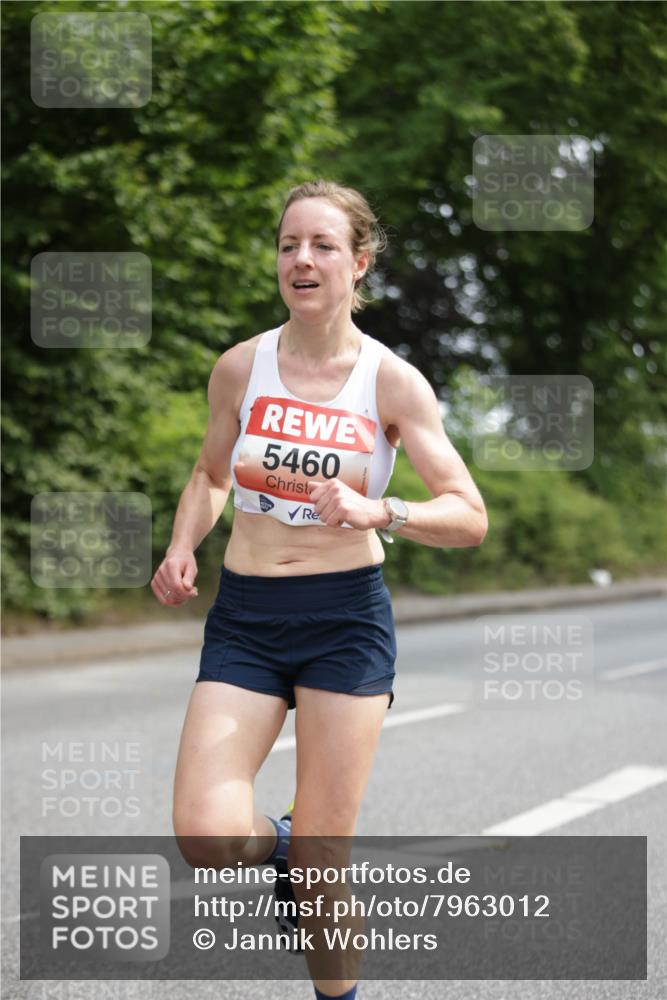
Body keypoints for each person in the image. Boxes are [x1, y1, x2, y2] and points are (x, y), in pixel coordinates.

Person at [151, 179, 488, 1000]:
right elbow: (210, 474)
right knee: (205, 835)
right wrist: (182, 544)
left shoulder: (391, 382)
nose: (300, 259)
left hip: (344, 621)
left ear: (358, 262)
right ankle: (281, 843)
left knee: (322, 867)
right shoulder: (242, 367)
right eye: (287, 244)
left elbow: (468, 514)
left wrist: (384, 509)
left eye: (322, 245)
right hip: (246, 617)